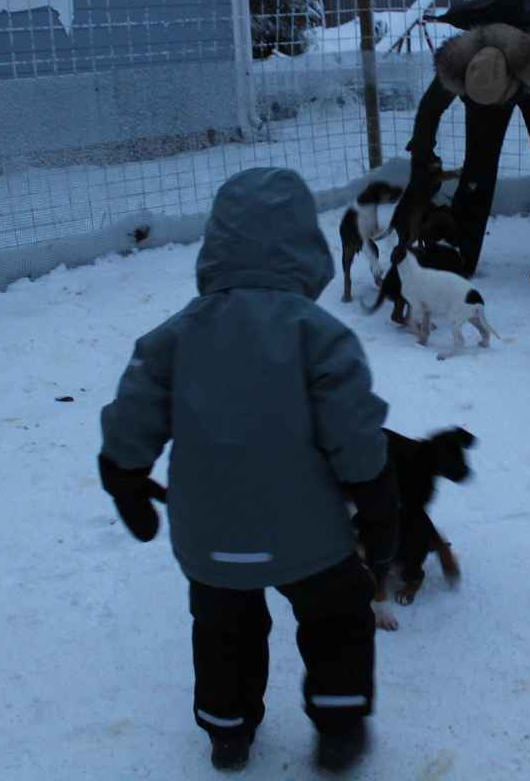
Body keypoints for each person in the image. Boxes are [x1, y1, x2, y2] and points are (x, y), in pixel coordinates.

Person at [96, 167, 400, 774]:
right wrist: (375, 494)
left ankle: (227, 730)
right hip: (308, 534)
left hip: (210, 536)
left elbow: (135, 410)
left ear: (217, 247)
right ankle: (339, 726)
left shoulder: (176, 335)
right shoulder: (319, 334)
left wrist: (123, 474)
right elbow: (352, 426)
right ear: (305, 249)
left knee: (223, 627)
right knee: (338, 616)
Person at [403, 0, 530, 277]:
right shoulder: (461, 61)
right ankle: (459, 257)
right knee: (477, 172)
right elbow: (430, 110)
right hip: (487, 87)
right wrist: (422, 154)